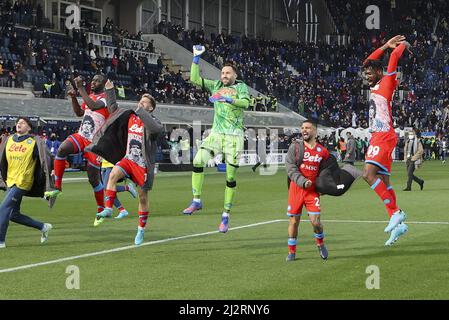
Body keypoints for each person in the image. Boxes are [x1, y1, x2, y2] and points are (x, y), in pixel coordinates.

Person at [182, 45, 250, 233]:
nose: (224, 75)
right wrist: (196, 58)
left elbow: (246, 103)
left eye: (228, 72)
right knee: (197, 161)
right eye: (223, 72)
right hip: (216, 134)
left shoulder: (241, 87)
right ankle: (197, 200)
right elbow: (195, 79)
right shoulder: (216, 86)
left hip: (234, 136)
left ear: (235, 75)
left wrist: (230, 100)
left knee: (230, 175)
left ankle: (225, 215)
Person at [87, 80, 163, 244]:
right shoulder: (130, 117)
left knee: (142, 198)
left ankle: (141, 230)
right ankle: (108, 208)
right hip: (128, 159)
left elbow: (156, 131)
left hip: (142, 165)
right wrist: (110, 91)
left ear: (150, 108)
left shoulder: (153, 122)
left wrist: (143, 112)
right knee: (112, 175)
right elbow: (113, 110)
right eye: (140, 101)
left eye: (145, 103)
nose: (141, 104)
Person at [362, 35, 410, 246]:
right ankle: (399, 225)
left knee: (367, 174)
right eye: (366, 74)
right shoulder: (374, 84)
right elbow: (367, 61)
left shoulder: (388, 81)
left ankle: (396, 212)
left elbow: (393, 60)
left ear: (379, 72)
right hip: (379, 136)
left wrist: (400, 47)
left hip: (383, 136)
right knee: (385, 182)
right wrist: (384, 46)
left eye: (370, 73)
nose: (366, 75)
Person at [45, 74, 110, 226]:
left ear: (104, 83)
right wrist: (74, 97)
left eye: (97, 81)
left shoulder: (106, 98)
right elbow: (80, 113)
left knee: (93, 179)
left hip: (96, 143)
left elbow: (93, 106)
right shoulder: (90, 96)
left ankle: (101, 209)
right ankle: (57, 187)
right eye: (92, 80)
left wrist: (80, 88)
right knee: (62, 149)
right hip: (82, 136)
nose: (93, 82)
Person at [0, 117, 54, 248]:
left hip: (23, 181)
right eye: (18, 122)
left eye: (23, 123)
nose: (19, 124)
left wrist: (50, 172)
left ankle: (0, 241)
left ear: (29, 127)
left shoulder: (35, 142)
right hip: (10, 180)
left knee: (3, 209)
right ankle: (43, 226)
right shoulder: (8, 140)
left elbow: (46, 159)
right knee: (13, 214)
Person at [285, 120, 330, 262]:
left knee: (316, 222)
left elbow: (326, 171)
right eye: (303, 128)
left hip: (312, 191)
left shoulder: (323, 151)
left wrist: (324, 186)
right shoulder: (295, 147)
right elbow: (290, 168)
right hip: (296, 189)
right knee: (294, 221)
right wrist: (303, 182)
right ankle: (291, 252)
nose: (304, 130)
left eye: (308, 128)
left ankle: (320, 244)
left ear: (315, 131)